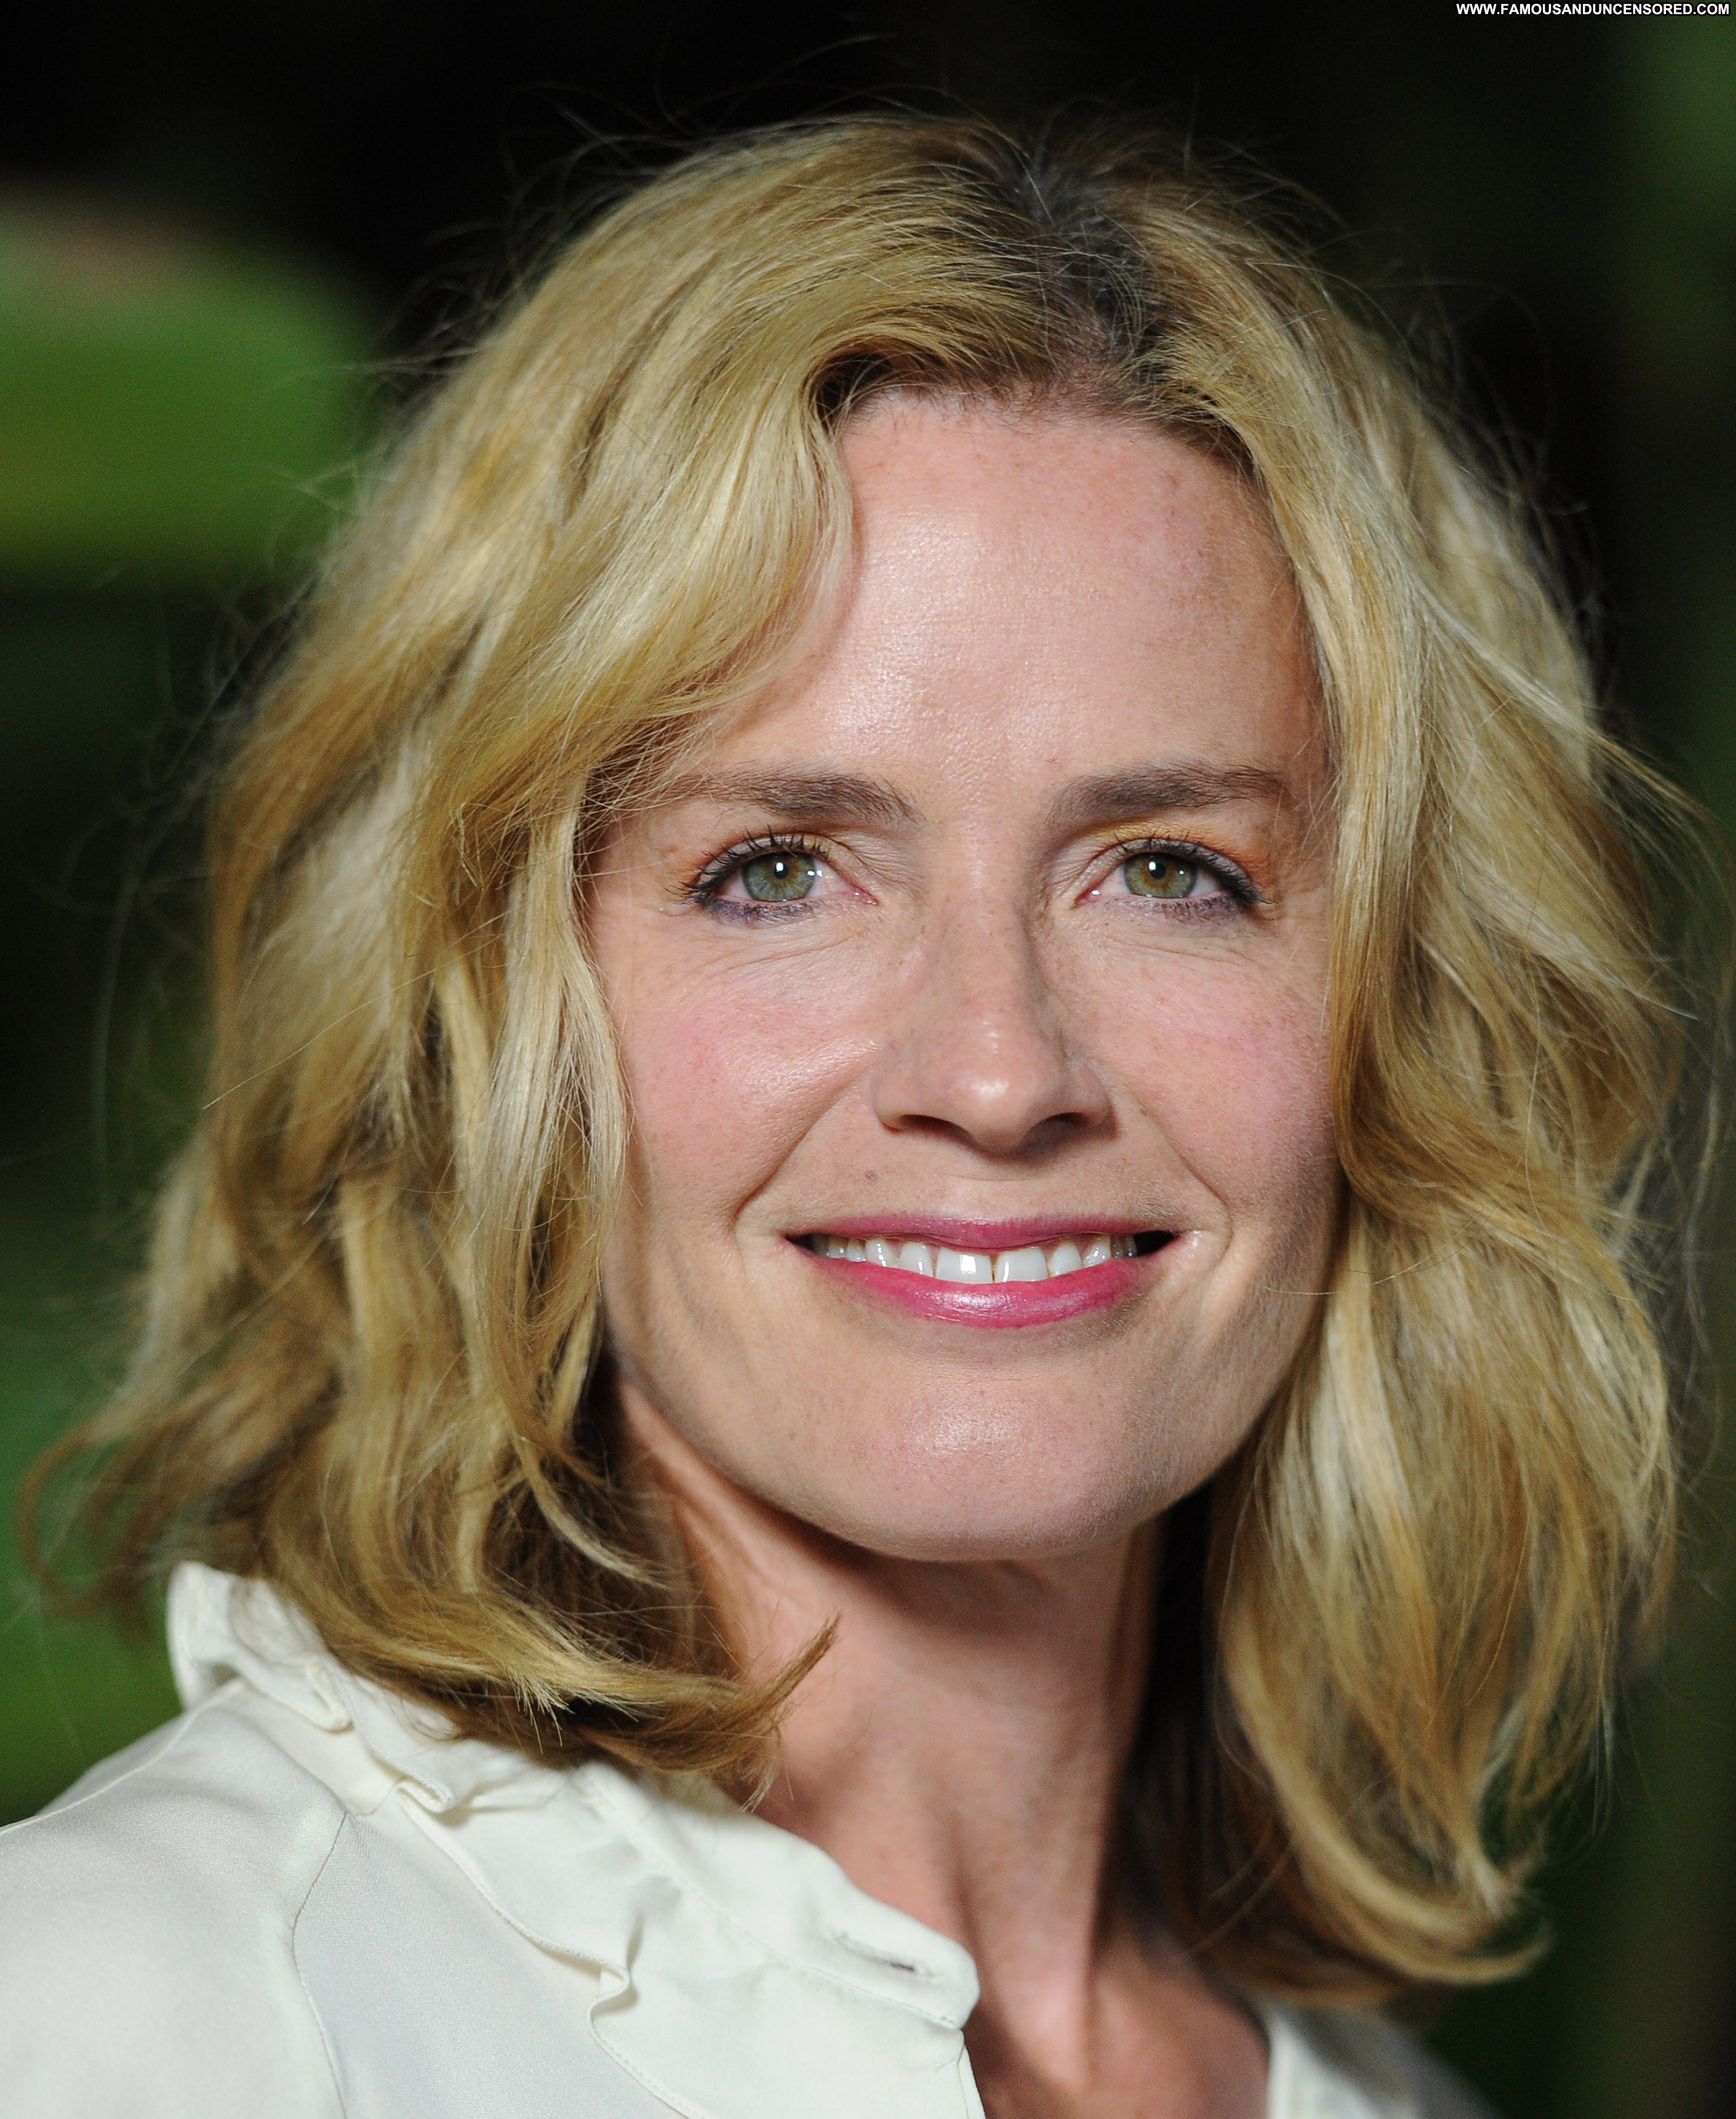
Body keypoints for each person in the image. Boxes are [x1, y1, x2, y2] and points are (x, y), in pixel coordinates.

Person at [0, 117, 1703, 2118]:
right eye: (778, 872)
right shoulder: (145, 2016)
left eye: (1171, 871)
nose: (996, 1074)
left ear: (1404, 1009)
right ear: (489, 1002)